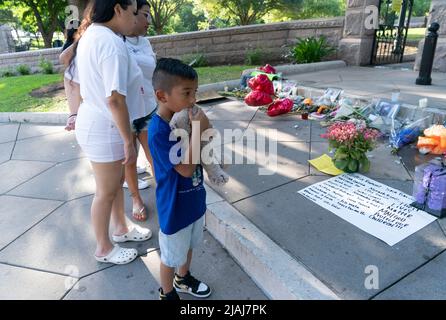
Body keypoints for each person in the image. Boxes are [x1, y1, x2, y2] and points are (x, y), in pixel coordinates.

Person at [75, 0, 152, 265]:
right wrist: (127, 142)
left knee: (114, 185)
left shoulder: (96, 35)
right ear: (118, 9)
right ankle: (103, 248)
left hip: (101, 123)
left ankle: (121, 228)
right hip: (105, 127)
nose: (135, 18)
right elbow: (115, 100)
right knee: (105, 192)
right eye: (132, 12)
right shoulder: (110, 44)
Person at [149, 58, 212, 300]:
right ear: (162, 96)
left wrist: (201, 129)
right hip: (174, 208)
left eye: (194, 92)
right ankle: (167, 292)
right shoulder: (159, 132)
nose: (193, 99)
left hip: (193, 200)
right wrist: (197, 129)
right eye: (186, 93)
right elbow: (185, 169)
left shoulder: (181, 119)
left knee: (188, 247)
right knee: (171, 255)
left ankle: (183, 278)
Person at [123, 0, 157, 221]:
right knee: (130, 158)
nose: (149, 21)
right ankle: (136, 198)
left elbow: (151, 66)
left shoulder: (144, 42)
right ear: (132, 14)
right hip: (125, 111)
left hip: (147, 107)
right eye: (145, 15)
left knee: (154, 153)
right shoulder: (114, 39)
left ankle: (165, 191)